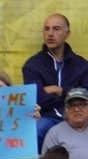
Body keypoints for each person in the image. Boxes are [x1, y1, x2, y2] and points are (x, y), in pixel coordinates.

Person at [23, 13, 88, 147]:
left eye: (56, 29)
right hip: (47, 118)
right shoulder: (32, 65)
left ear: (67, 33)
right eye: (47, 29)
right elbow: (36, 99)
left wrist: (59, 91)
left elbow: (85, 97)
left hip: (79, 118)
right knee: (34, 130)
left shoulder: (82, 65)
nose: (50, 34)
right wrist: (70, 95)